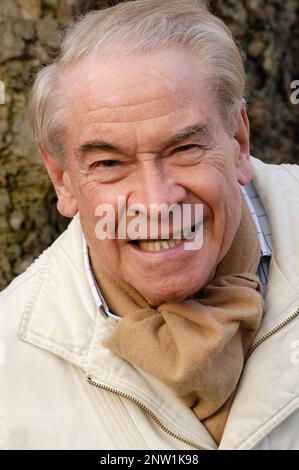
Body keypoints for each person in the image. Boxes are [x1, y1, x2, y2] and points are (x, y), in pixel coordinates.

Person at [1, 0, 299, 450]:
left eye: (184, 149)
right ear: (62, 180)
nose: (157, 203)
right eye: (109, 163)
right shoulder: (9, 362)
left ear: (238, 141)